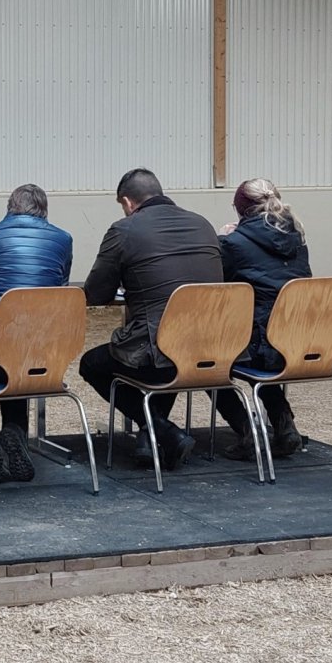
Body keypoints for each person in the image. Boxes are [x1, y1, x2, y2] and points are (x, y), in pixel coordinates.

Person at [79, 168, 223, 470]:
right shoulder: (203, 225)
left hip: (159, 352)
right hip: (210, 347)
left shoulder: (124, 230)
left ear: (129, 203)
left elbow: (95, 292)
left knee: (93, 364)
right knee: (163, 352)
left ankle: (162, 430)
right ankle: (151, 436)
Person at [0, 183, 73, 484]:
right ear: (44, 211)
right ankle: (15, 432)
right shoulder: (63, 239)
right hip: (43, 361)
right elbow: (59, 287)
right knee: (19, 366)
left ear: (9, 207)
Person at [214, 178, 311, 459]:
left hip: (263, 345)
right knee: (259, 350)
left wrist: (222, 240)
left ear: (240, 210)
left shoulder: (234, 244)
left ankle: (248, 431)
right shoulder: (298, 240)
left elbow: (220, 288)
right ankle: (284, 425)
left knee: (206, 361)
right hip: (301, 342)